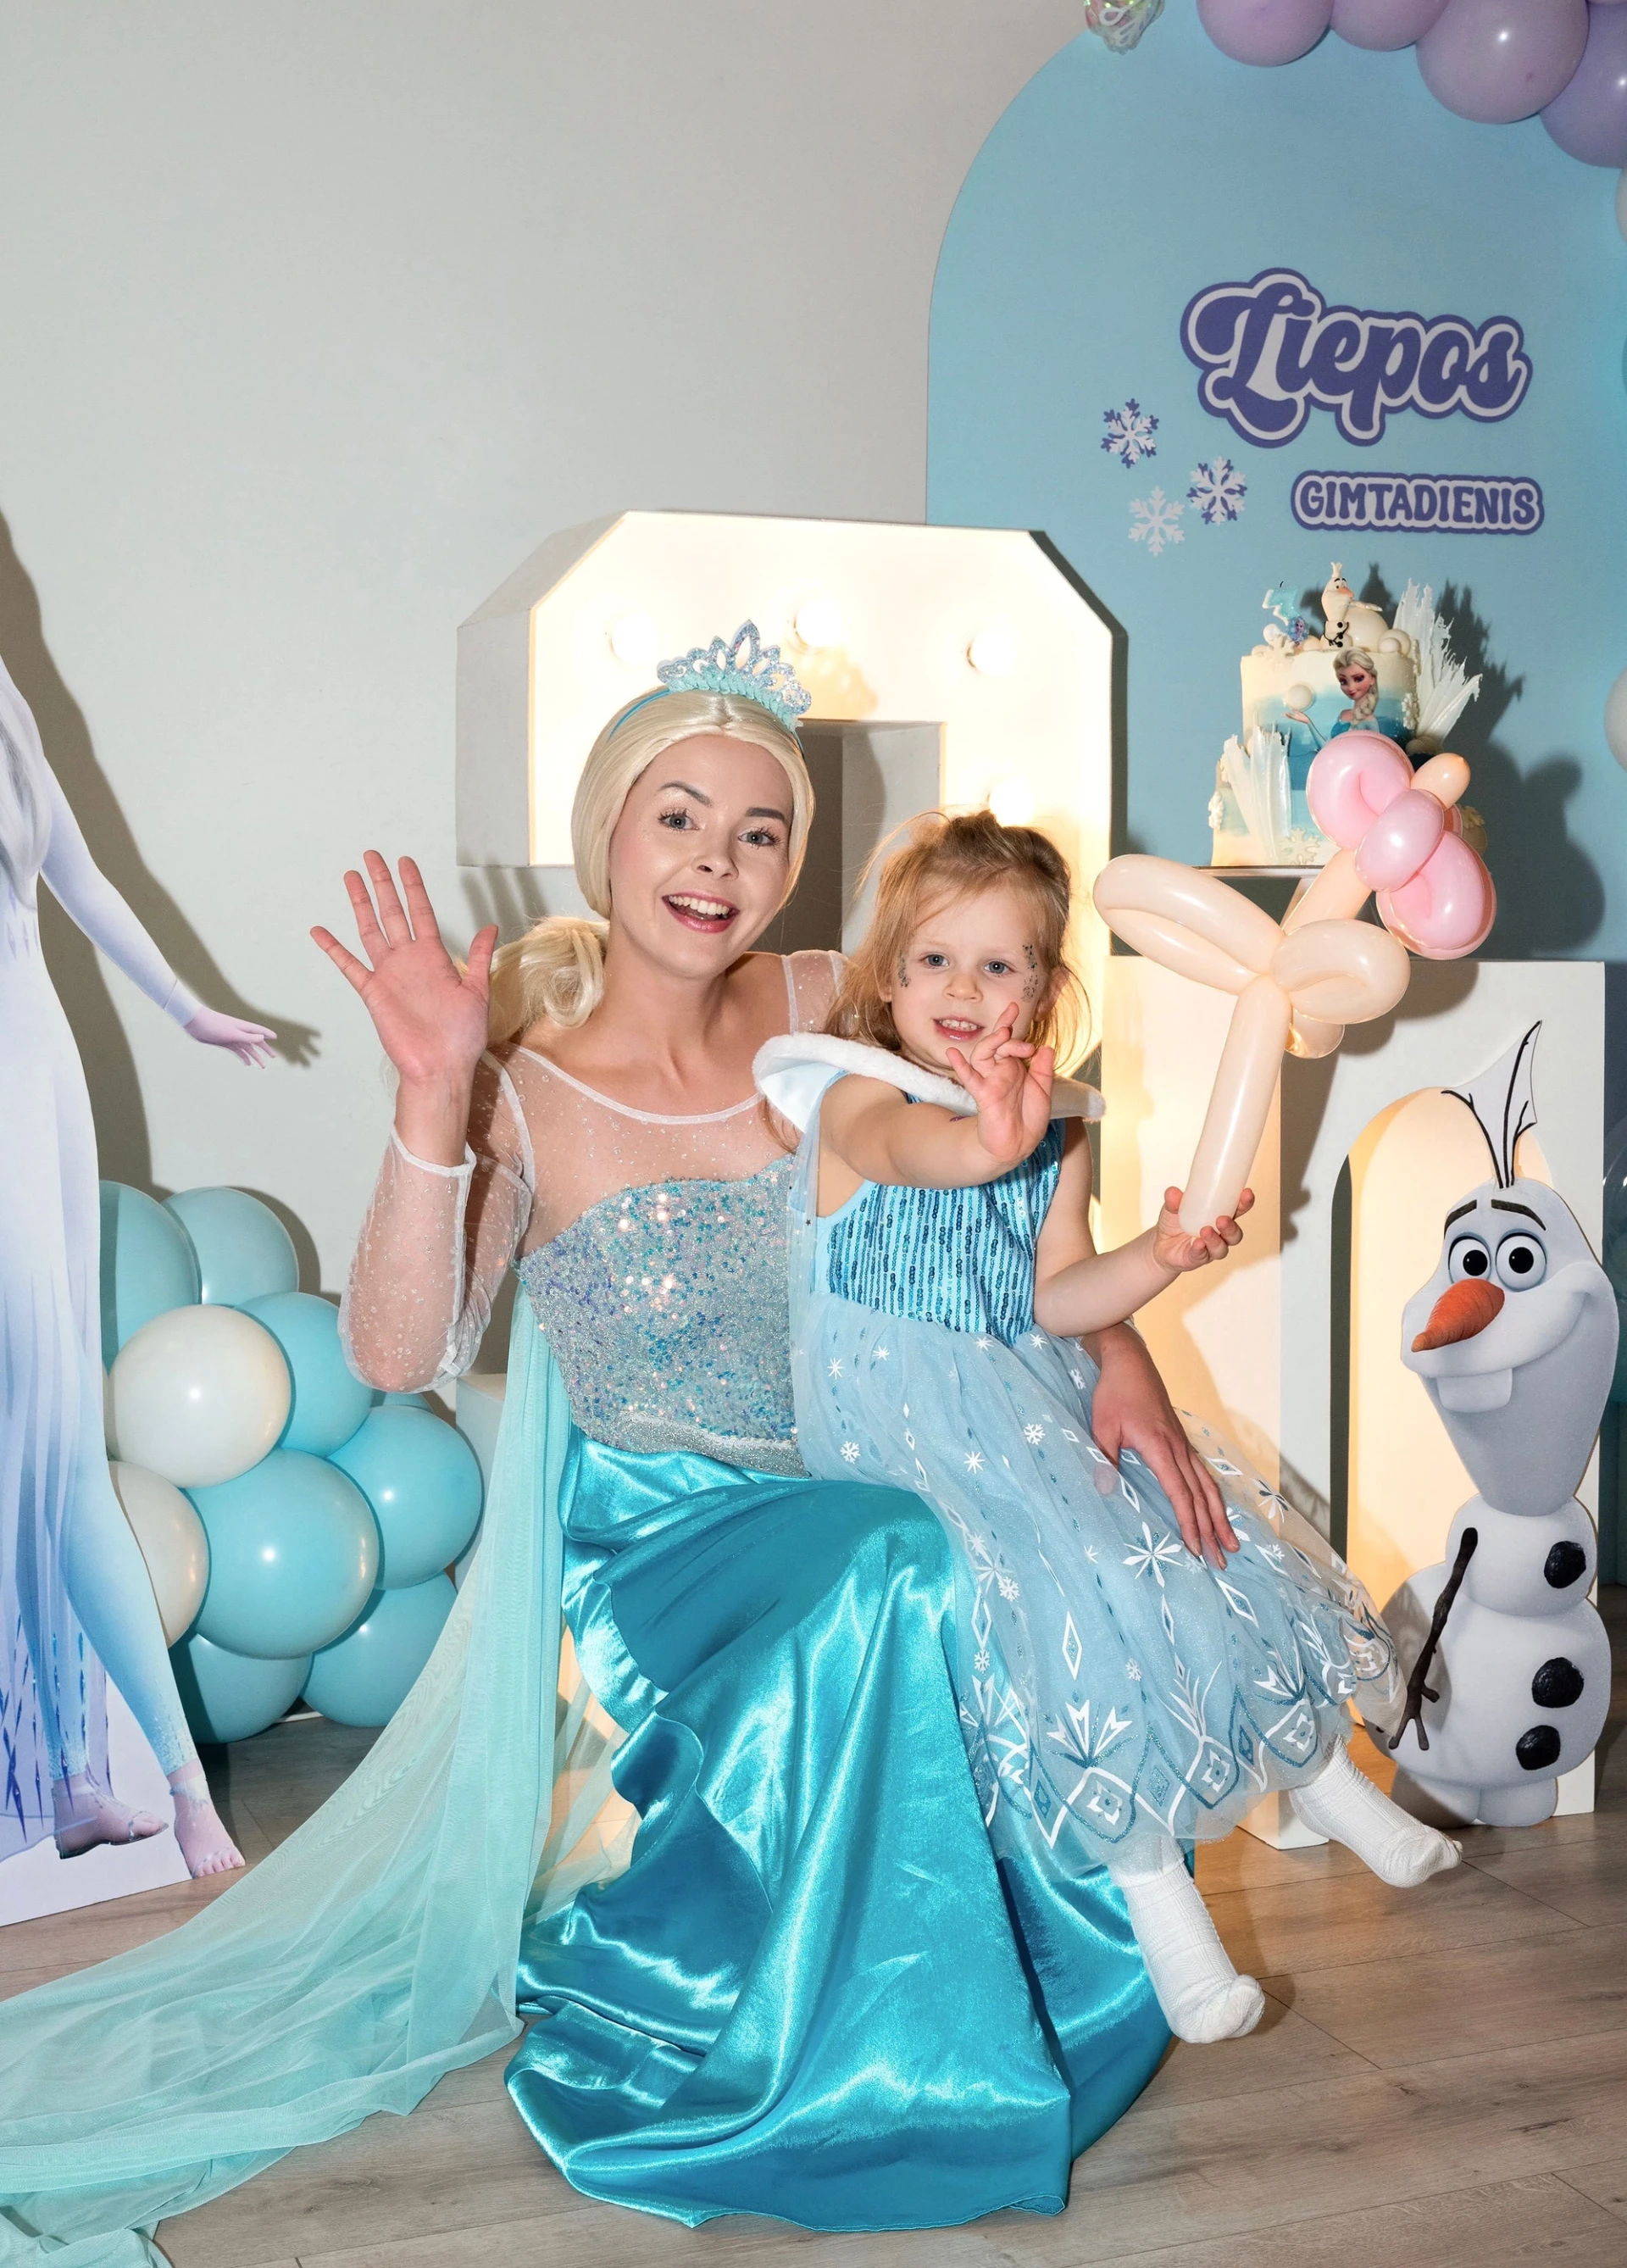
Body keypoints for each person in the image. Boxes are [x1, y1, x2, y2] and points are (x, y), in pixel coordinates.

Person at [0, 629, 1186, 2261]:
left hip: (868, 1462)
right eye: (678, 817)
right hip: (664, 1536)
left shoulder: (825, 1001)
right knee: (898, 1558)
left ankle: (953, 2004)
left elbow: (1006, 1194)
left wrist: (1126, 1358)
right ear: (607, 832)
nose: (717, 862)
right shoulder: (526, 1086)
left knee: (928, 1541)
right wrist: (433, 1093)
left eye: (759, 831)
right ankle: (859, 2062)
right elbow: (394, 1356)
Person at [767, 810, 1459, 2049]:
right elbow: (924, 1155)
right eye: (935, 962)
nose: (965, 991)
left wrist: (1164, 1252)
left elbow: (1059, 1293)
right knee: (1074, 1580)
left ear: (1045, 986)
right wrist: (991, 1133)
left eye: (1000, 965)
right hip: (900, 1418)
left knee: (1198, 1535)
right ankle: (1165, 1918)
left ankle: (1327, 1780)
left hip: (1017, 1387)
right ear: (888, 977)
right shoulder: (861, 1094)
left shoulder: (1061, 1121)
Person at [0, 653, 269, 1884]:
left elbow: (80, 875)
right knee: (38, 1441)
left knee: (55, 1444)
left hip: (36, 1070)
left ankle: (97, 1778)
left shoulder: (8, 700)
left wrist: (183, 1007)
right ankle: (103, 1780)